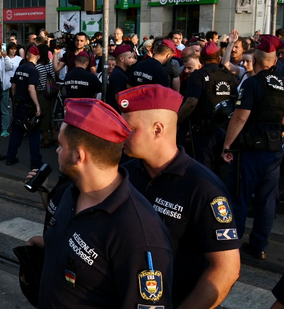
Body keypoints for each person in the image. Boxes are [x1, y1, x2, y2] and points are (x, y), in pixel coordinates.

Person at [38, 98, 174, 309]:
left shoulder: (138, 232)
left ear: (78, 156)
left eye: (60, 145)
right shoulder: (72, 192)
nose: (57, 151)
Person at [119, 85, 240, 308]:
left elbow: (226, 269)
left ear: (157, 130)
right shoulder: (125, 173)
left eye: (129, 128)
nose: (121, 134)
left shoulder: (203, 188)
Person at [222, 35, 284, 261]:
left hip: (250, 150)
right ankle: (258, 246)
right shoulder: (281, 84)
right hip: (275, 150)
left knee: (239, 196)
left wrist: (227, 145)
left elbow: (239, 118)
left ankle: (231, 244)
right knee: (267, 200)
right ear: (275, 62)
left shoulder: (252, 83)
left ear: (256, 60)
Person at [177, 41, 237, 172]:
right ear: (219, 58)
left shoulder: (198, 75)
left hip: (203, 134)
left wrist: (177, 119)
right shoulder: (228, 76)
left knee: (204, 171)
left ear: (201, 59)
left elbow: (191, 102)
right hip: (224, 132)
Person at [6, 46, 42, 167]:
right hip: (29, 106)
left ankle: (10, 157)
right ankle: (35, 162)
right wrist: (37, 105)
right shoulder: (33, 70)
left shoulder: (20, 68)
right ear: (38, 57)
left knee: (17, 132)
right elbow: (31, 88)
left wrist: (15, 98)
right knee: (34, 134)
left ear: (27, 56)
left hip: (19, 104)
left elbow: (13, 86)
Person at [104, 44, 134, 112]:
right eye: (129, 58)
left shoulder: (118, 73)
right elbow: (119, 98)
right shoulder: (119, 75)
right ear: (122, 59)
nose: (132, 60)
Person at [0, 42, 20, 137]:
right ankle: (6, 126)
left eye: (14, 49)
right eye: (11, 49)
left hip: (16, 84)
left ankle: (14, 125)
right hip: (7, 84)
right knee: (5, 106)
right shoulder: (2, 59)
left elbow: (10, 67)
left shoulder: (19, 59)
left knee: (15, 106)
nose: (13, 51)